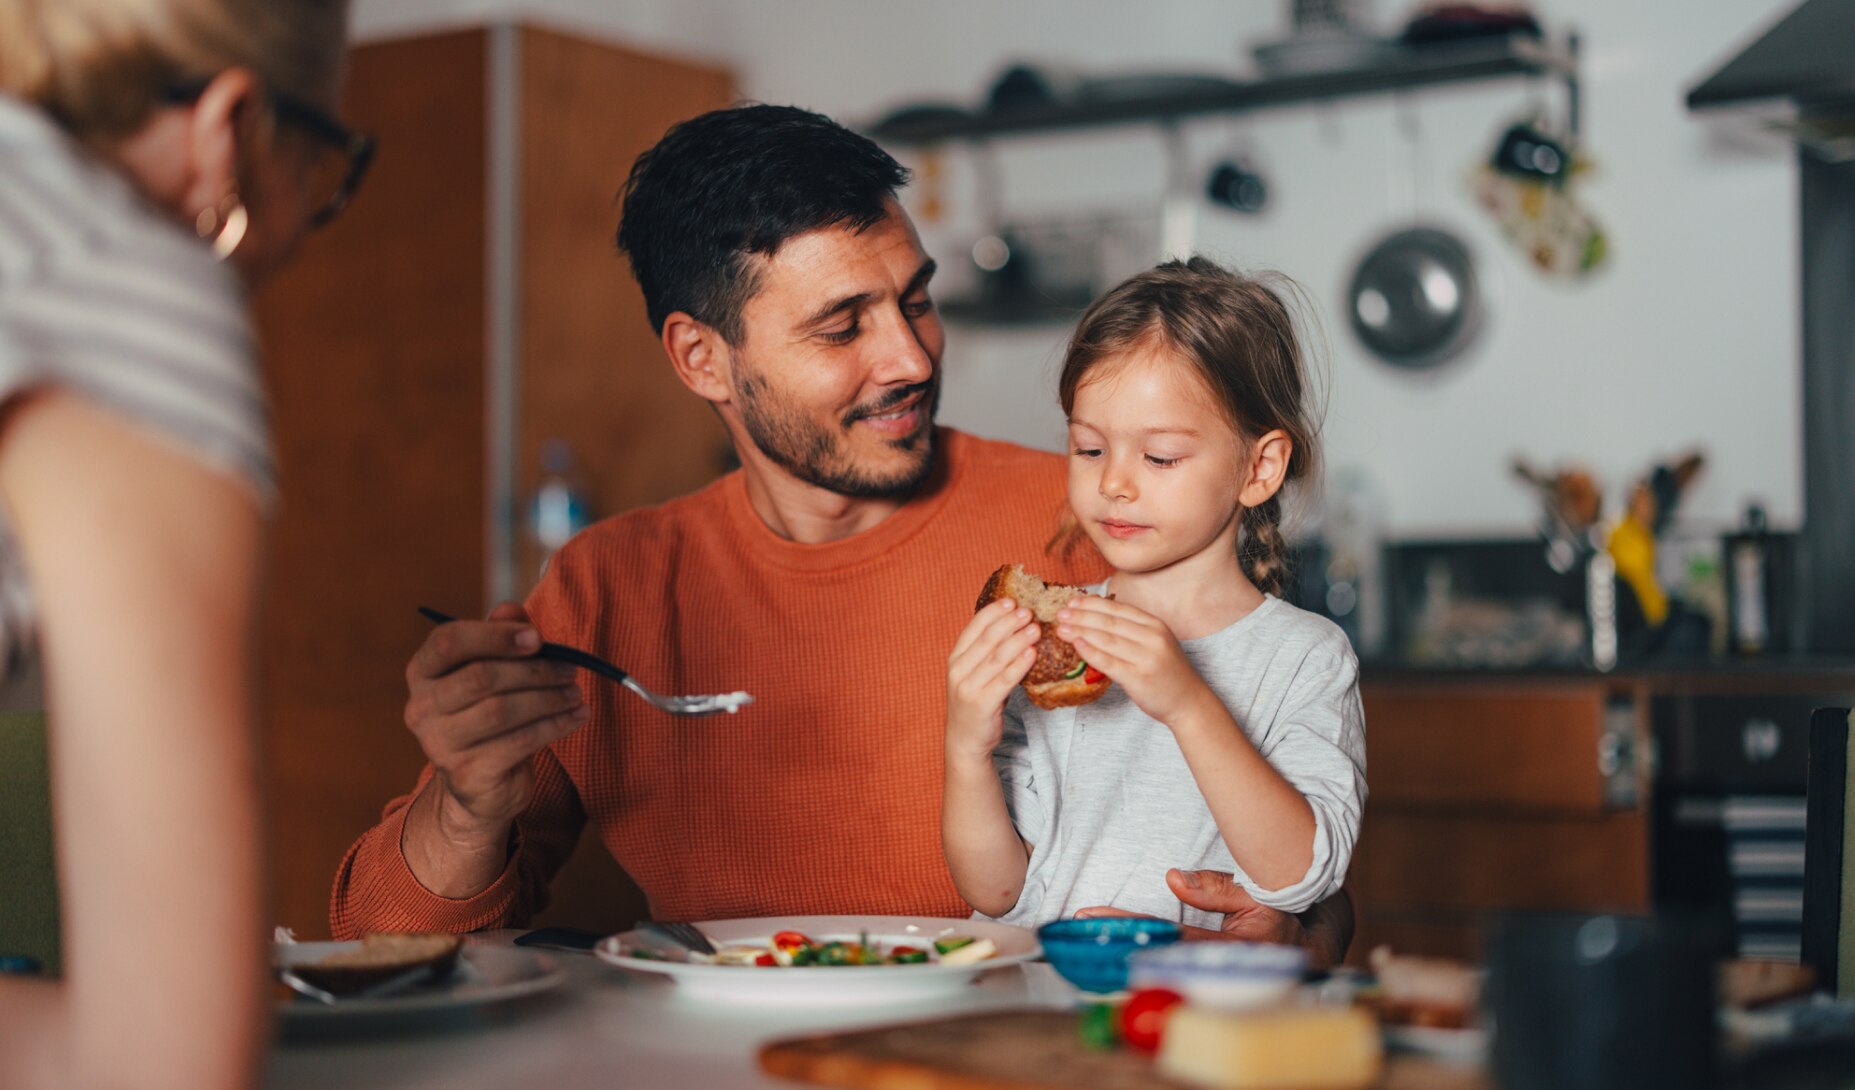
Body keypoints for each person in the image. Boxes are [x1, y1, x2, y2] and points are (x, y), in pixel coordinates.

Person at [331, 105, 1353, 959]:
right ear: (701, 358)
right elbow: (380, 947)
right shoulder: (607, 591)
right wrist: (466, 806)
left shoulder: (1102, 525)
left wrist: (1297, 929)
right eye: (841, 326)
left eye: (916, 300)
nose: (911, 357)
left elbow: (1308, 872)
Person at [0, 1, 363, 1087]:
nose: (306, 221)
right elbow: (161, 1065)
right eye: (321, 164)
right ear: (228, 129)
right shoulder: (113, 270)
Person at [942, 258, 1367, 932]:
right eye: (1089, 449)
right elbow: (997, 892)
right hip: (1039, 989)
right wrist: (965, 748)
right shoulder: (1053, 649)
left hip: (1196, 997)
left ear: (1259, 468)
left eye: (1159, 456)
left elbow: (1299, 877)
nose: (1113, 483)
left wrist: (1187, 703)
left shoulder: (1305, 658)